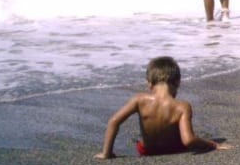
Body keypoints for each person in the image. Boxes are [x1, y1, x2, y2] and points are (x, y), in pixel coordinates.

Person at [95, 56, 231, 158]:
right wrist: (213, 145)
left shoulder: (139, 99)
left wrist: (106, 153)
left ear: (149, 84)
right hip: (175, 150)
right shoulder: (182, 106)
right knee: (197, 135)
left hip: (146, 151)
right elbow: (189, 140)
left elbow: (114, 121)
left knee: (139, 140)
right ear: (178, 82)